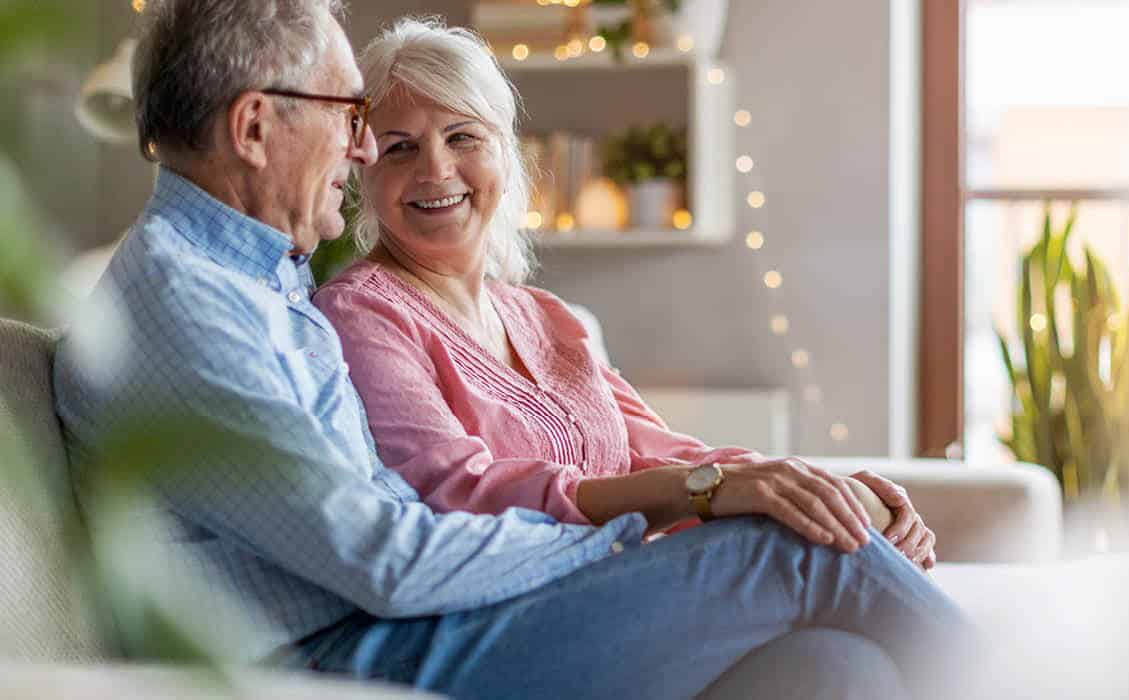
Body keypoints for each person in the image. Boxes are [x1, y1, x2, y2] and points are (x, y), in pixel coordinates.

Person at [51, 2, 972, 698]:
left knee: (834, 667)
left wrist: (776, 484)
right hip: (340, 656)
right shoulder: (189, 304)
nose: (362, 148)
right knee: (799, 556)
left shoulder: (258, 278)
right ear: (254, 128)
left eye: (458, 137)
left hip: (403, 621)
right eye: (350, 114)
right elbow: (390, 557)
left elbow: (653, 455)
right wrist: (634, 528)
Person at [313, 17, 937, 569]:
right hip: (528, 605)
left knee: (845, 635)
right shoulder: (362, 314)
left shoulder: (544, 316)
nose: (435, 170)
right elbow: (463, 492)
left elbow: (665, 455)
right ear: (362, 172)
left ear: (505, 154)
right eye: (400, 148)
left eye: (462, 137)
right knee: (821, 555)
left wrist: (813, 483)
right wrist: (709, 488)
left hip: (627, 578)